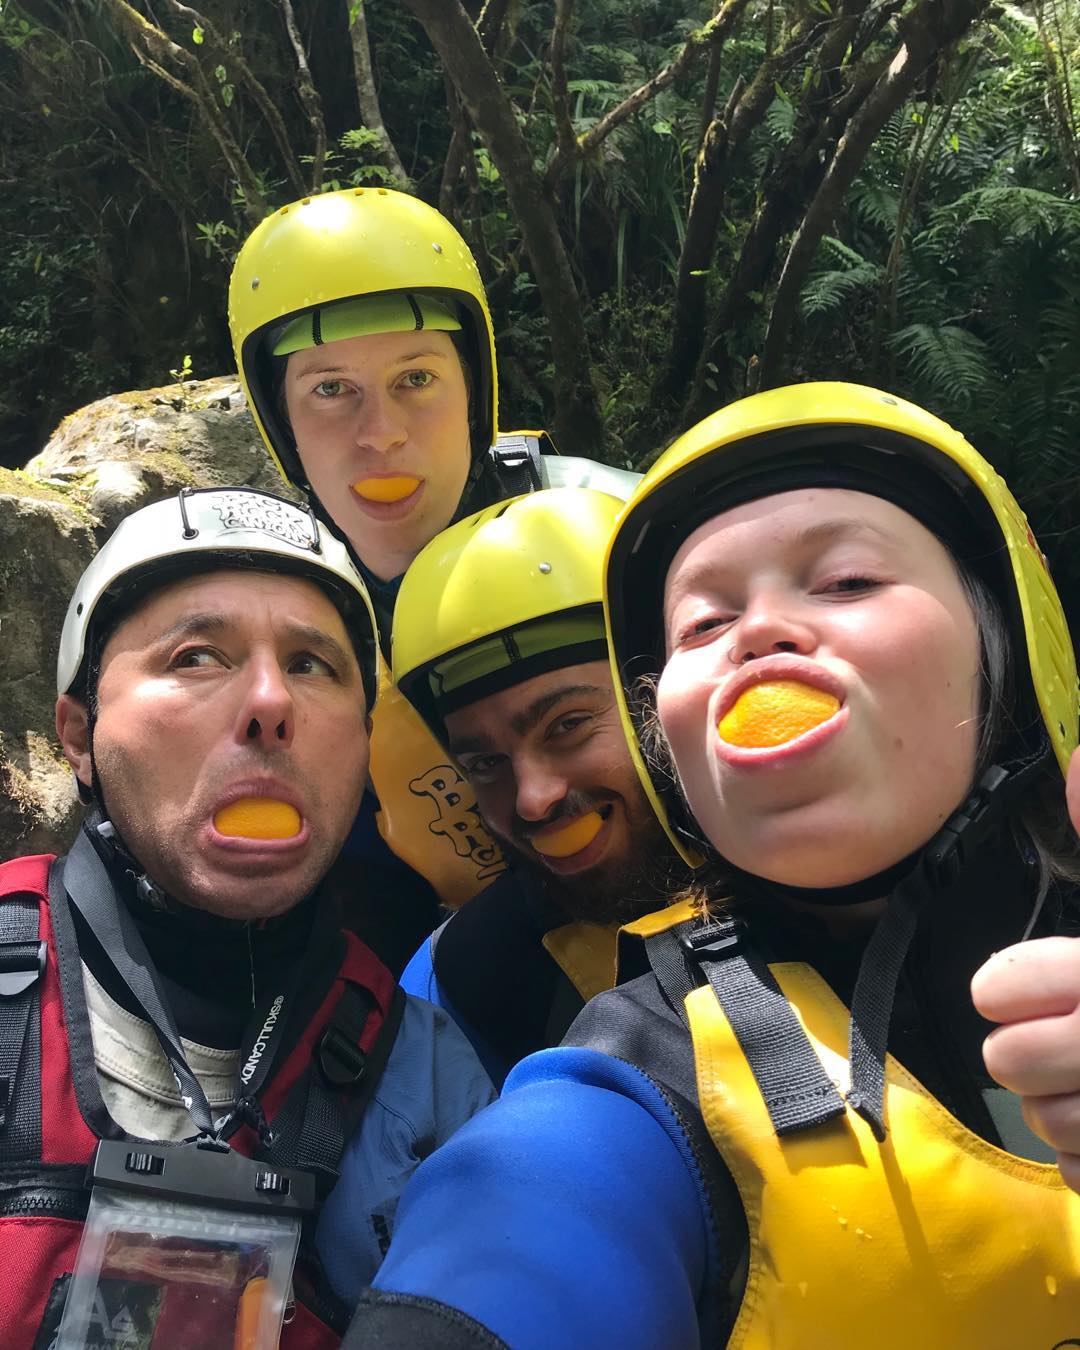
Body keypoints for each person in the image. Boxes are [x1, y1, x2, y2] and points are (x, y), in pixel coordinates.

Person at [341, 383, 1080, 1348]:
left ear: (1008, 652)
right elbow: (536, 1208)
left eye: (850, 581)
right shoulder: (603, 1041)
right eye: (701, 624)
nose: (758, 632)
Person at [0, 487, 494, 1348]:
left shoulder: (432, 1076)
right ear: (78, 737)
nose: (272, 702)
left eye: (314, 665)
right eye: (195, 656)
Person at [228, 188, 640, 937]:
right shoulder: (273, 609)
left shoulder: (623, 532)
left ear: (474, 389)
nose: (380, 433)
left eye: (415, 379)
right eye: (330, 390)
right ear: (281, 422)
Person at [393, 488, 693, 1082]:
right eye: (485, 763)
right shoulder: (459, 979)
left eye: (568, 726)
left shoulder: (844, 883)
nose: (532, 799)